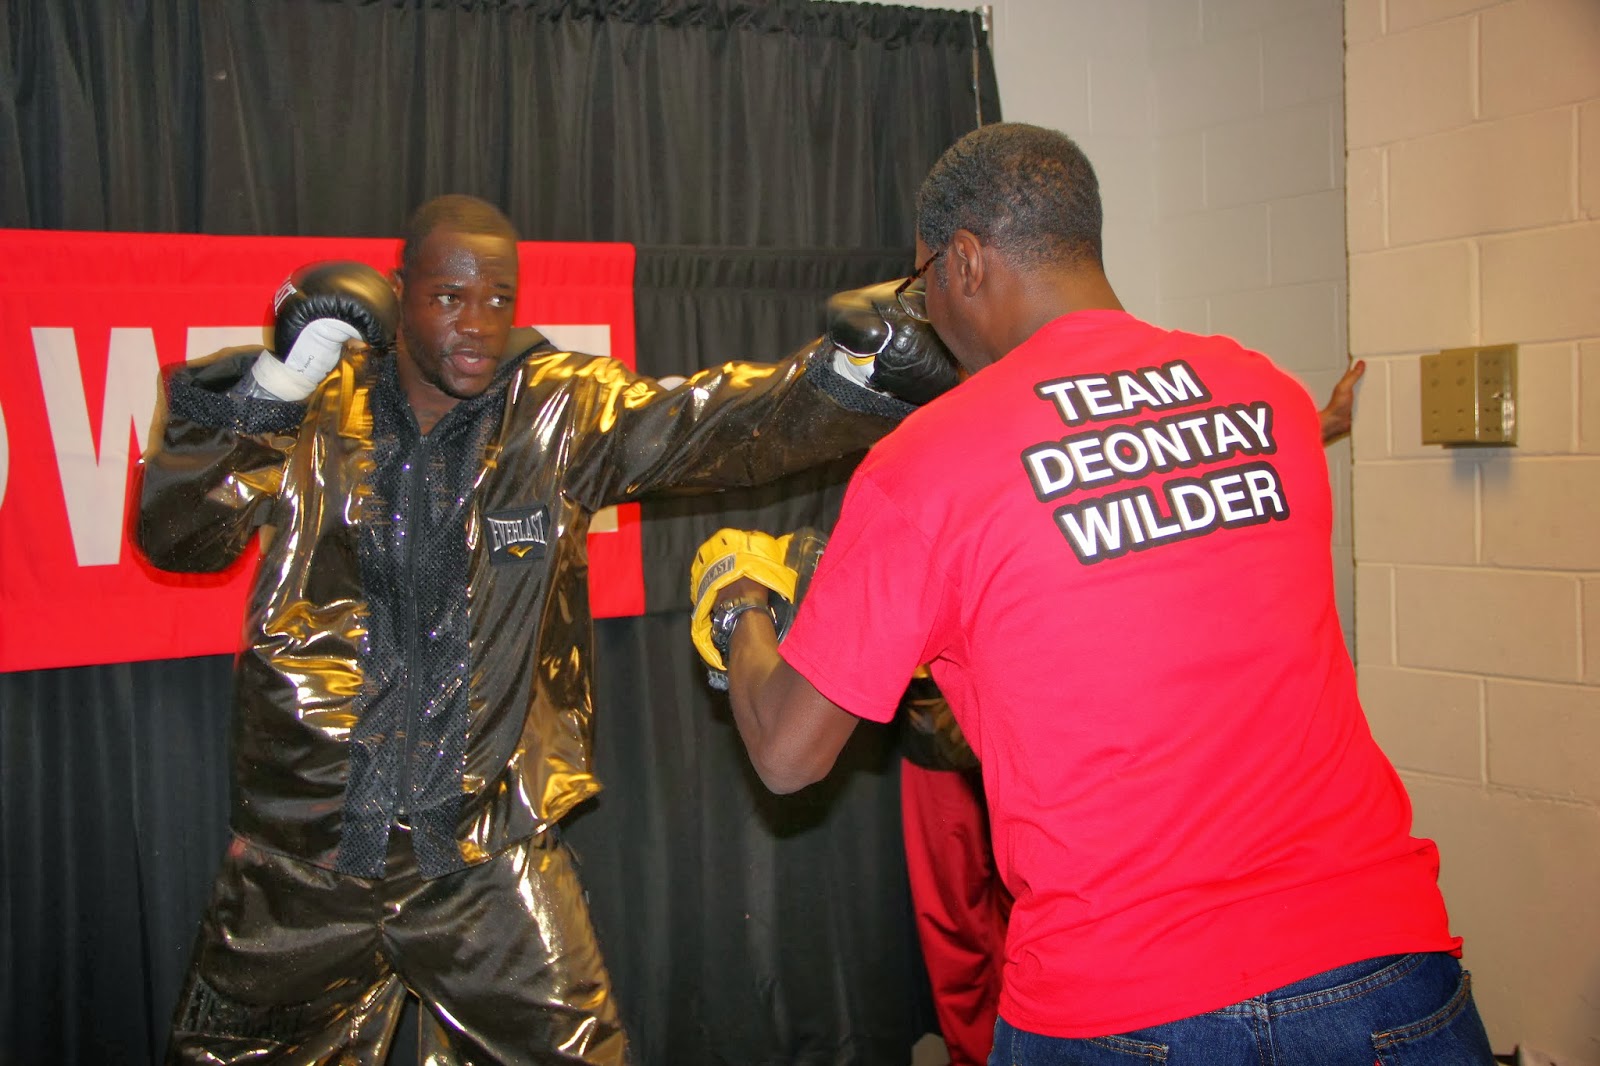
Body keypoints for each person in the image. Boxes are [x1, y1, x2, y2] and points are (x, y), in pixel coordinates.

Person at [692, 124, 1494, 1065]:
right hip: (1384, 968)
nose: (928, 313)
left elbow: (788, 754)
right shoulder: (1270, 397)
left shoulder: (928, 464)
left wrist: (740, 604)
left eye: (922, 285)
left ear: (964, 262)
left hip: (1126, 999)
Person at [136, 193, 956, 1064]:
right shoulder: (314, 399)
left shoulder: (556, 405)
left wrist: (850, 379)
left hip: (485, 854)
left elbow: (710, 425)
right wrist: (279, 383)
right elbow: (178, 536)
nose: (478, 325)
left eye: (499, 298)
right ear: (398, 292)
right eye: (450, 297)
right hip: (305, 855)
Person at [897, 361, 1366, 1066]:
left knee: (1034, 902)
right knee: (954, 918)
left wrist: (1317, 424)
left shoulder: (1045, 423)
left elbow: (1158, 475)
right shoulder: (921, 445)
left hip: (1040, 724)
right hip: (937, 714)